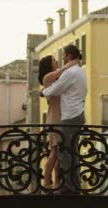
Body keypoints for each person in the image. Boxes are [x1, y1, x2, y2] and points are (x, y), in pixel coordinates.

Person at [41, 44, 87, 193]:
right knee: (73, 151)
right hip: (79, 114)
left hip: (69, 116)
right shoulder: (80, 72)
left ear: (68, 56)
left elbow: (56, 89)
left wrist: (43, 93)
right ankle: (76, 184)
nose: (61, 59)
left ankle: (68, 186)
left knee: (64, 152)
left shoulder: (69, 73)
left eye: (63, 56)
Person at [38, 55, 80, 188]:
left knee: (59, 153)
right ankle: (46, 181)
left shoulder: (56, 79)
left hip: (59, 116)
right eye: (54, 61)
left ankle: (57, 182)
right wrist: (72, 63)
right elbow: (61, 72)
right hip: (55, 117)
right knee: (55, 152)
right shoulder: (48, 78)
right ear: (49, 65)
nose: (57, 62)